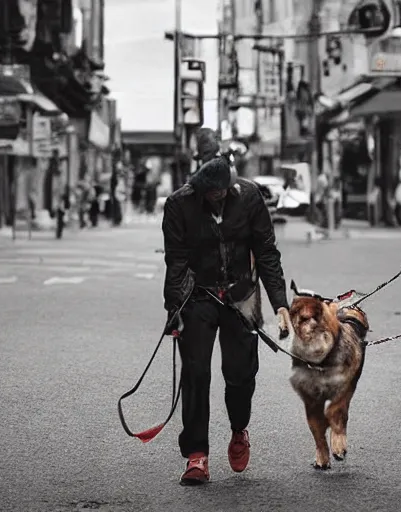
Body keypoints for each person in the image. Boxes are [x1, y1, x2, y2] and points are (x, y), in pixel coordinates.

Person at [162, 128, 291, 484]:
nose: (217, 197)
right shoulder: (178, 205)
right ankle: (197, 455)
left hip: (241, 295)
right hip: (198, 296)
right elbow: (176, 262)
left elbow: (266, 252)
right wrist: (174, 310)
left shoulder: (250, 197)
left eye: (222, 191)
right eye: (210, 192)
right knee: (196, 373)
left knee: (239, 374)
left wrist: (281, 303)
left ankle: (239, 429)